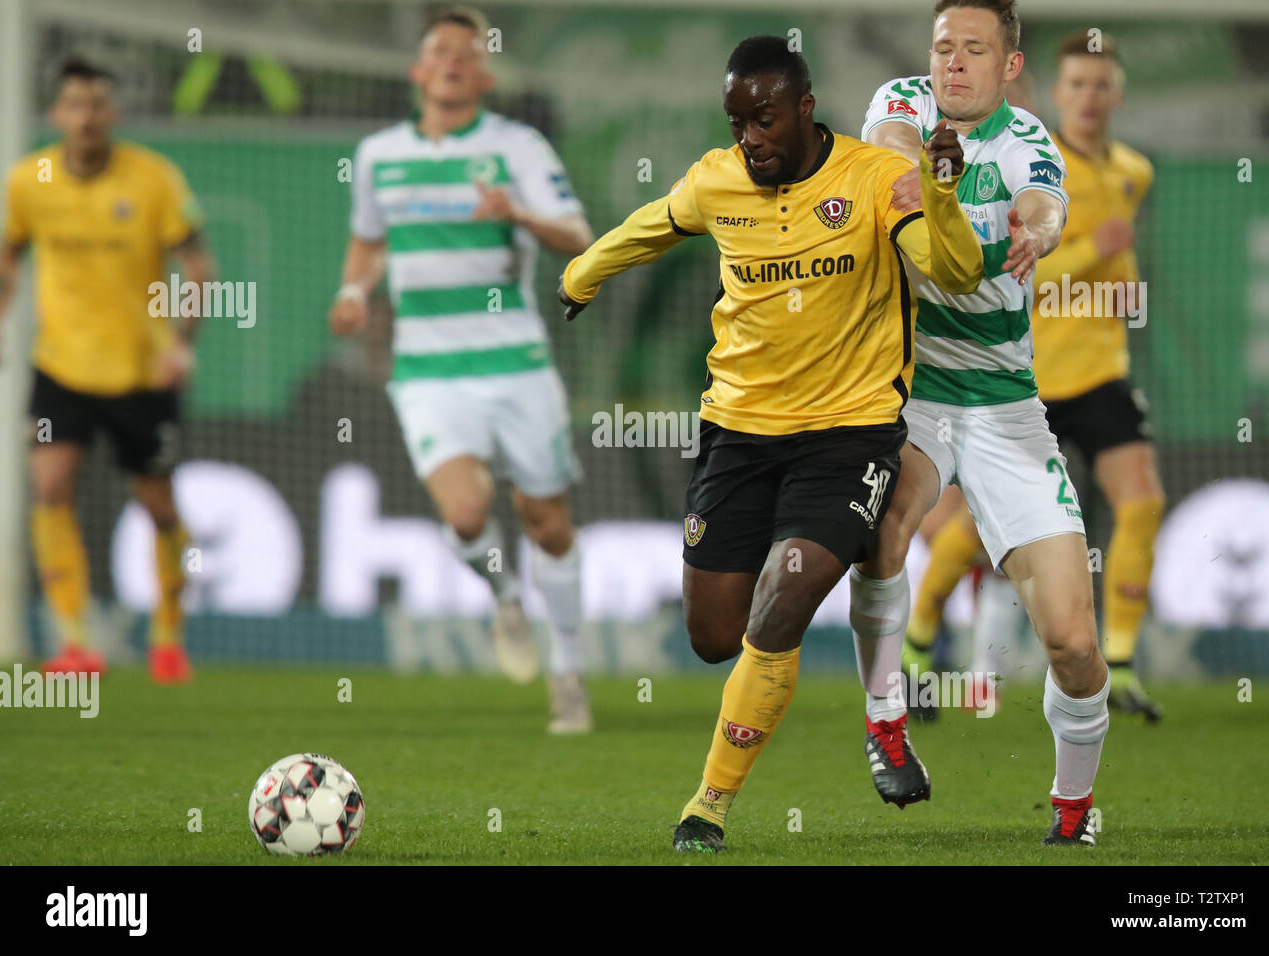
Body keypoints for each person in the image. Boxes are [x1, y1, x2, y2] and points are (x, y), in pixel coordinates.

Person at [559, 36, 983, 852]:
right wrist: (584, 272)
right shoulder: (718, 179)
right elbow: (654, 224)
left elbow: (954, 272)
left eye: (762, 119)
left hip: (847, 435)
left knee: (785, 600)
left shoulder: (869, 180)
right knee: (715, 636)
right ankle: (795, 670)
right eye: (736, 121)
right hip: (738, 433)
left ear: (803, 109)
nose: (748, 137)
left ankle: (707, 806)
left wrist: (940, 194)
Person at [855, 0, 1110, 845]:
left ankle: (1072, 812)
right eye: (943, 47)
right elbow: (891, 157)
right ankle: (886, 717)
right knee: (883, 524)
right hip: (913, 391)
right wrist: (928, 168)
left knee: (1074, 642)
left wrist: (1034, 231)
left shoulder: (1029, 138)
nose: (952, 63)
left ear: (1008, 64)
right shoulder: (901, 103)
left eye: (973, 50)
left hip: (1006, 409)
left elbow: (1045, 204)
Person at [329, 6, 597, 733]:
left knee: (547, 523)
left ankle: (567, 672)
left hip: (516, 363)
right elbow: (367, 243)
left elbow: (579, 236)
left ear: (483, 73)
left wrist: (520, 213)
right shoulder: (379, 155)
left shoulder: (518, 146)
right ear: (418, 71)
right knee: (467, 513)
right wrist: (354, 293)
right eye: (438, 50)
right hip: (427, 367)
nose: (450, 61)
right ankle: (506, 601)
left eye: (464, 52)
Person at [903, 30, 1163, 723]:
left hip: (1101, 370)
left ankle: (1126, 660)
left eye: (1101, 84)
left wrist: (1123, 284)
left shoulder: (1135, 170)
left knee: (1140, 502)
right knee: (978, 530)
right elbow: (1021, 263)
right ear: (1056, 92)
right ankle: (920, 641)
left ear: (1118, 95)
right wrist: (1086, 250)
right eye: (1076, 84)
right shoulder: (1029, 157)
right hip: (1032, 372)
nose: (1089, 97)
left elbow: (1115, 269)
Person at [0, 58, 215, 684]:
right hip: (59, 367)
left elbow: (199, 268)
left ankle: (168, 636)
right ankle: (73, 643)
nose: (87, 117)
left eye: (98, 104)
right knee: (50, 487)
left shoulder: (153, 179)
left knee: (158, 506)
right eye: (75, 104)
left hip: (141, 372)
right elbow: (7, 256)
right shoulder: (29, 179)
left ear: (112, 113)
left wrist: (181, 342)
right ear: (56, 114)